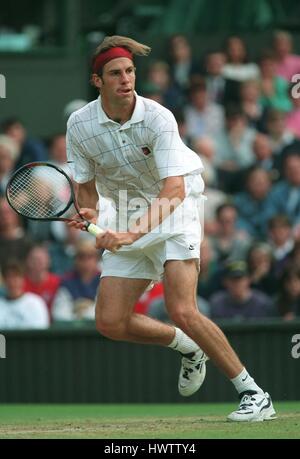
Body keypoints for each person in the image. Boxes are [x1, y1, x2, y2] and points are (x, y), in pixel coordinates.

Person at [66, 35, 276, 421]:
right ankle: (186, 347)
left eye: (130, 71)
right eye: (115, 73)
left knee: (182, 308)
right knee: (110, 322)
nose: (126, 79)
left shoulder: (158, 116)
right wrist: (92, 214)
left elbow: (174, 188)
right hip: (128, 211)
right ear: (97, 81)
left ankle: (254, 393)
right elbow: (86, 187)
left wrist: (130, 235)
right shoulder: (79, 125)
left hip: (176, 206)